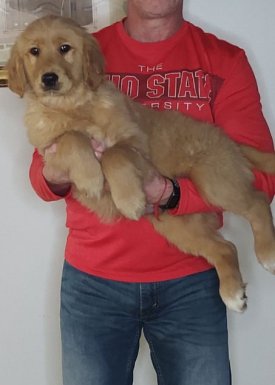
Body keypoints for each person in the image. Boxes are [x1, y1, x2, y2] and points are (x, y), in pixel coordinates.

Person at [29, 1, 275, 384]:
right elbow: (42, 180)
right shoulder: (77, 48)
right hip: (93, 284)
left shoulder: (224, 59)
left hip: (190, 283)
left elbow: (261, 179)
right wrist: (61, 170)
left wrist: (170, 194)